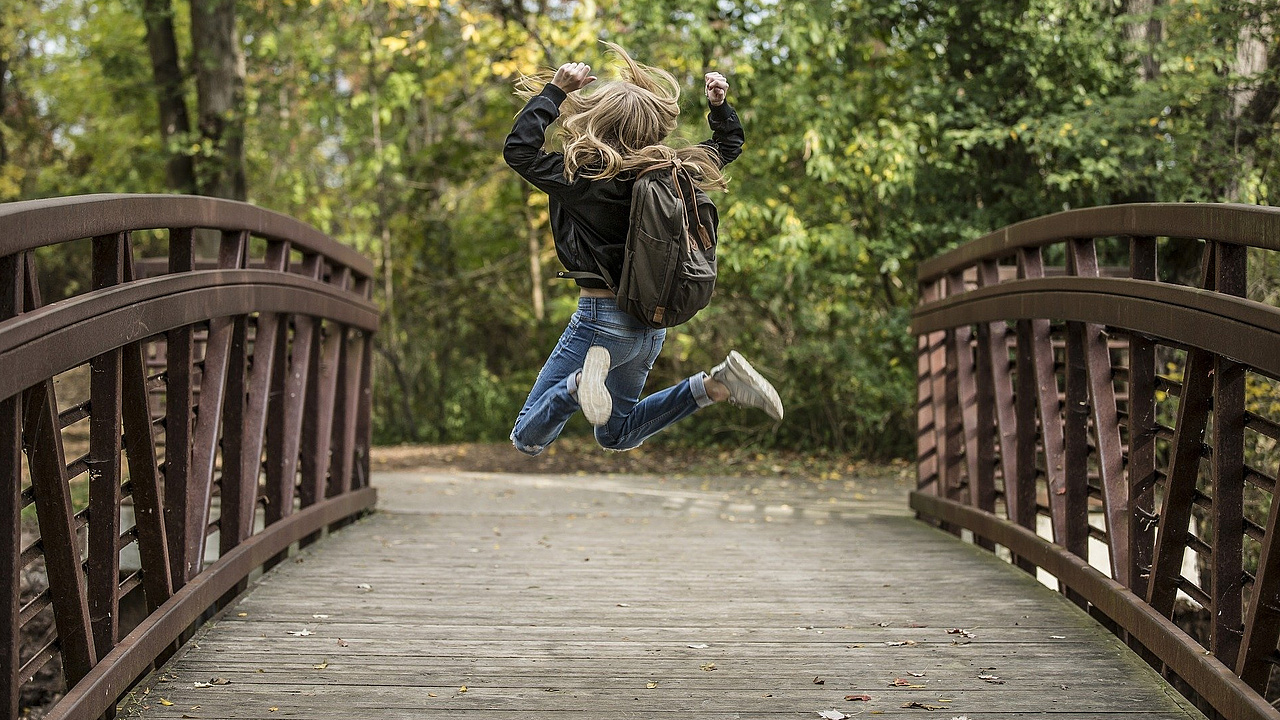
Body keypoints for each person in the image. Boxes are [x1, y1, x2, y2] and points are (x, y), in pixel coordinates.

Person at [504, 42, 782, 457]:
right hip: (649, 326)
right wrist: (719, 108)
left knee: (526, 438)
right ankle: (716, 385)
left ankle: (578, 386)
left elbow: (519, 151)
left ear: (598, 119)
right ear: (651, 126)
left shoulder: (581, 177)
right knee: (616, 434)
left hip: (600, 322)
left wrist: (556, 91)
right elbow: (727, 147)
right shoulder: (674, 172)